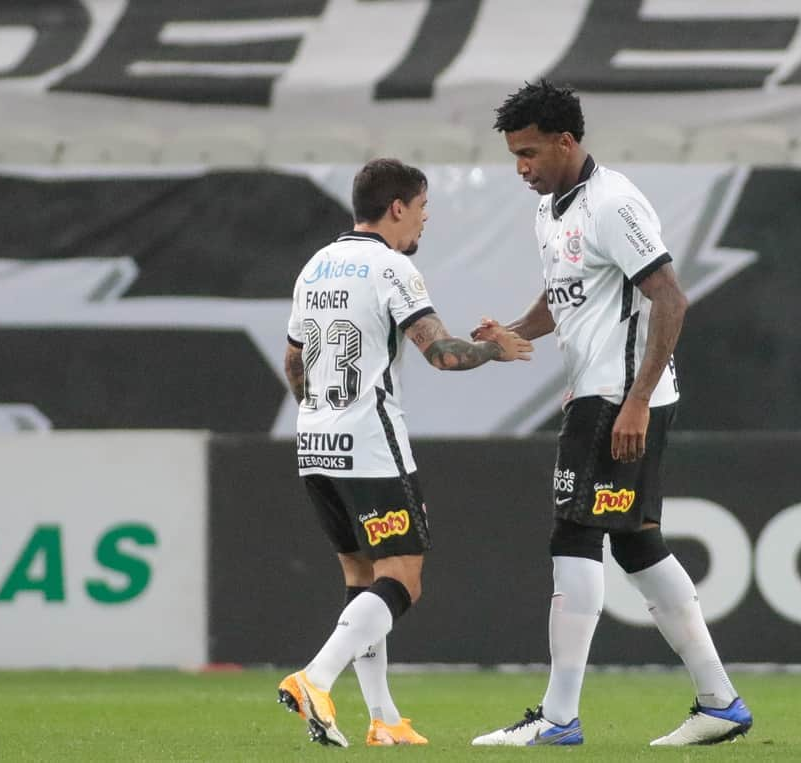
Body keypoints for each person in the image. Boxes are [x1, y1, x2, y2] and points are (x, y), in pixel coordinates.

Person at [470, 80, 752, 747]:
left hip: (616, 397)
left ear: (567, 142)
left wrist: (635, 401)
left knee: (573, 535)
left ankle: (559, 717)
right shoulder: (551, 209)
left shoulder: (613, 203)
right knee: (636, 540)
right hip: (607, 393)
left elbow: (671, 299)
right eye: (514, 155)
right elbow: (566, 297)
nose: (521, 168)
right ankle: (720, 701)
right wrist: (513, 331)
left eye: (530, 152)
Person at [277, 158, 533, 748]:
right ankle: (315, 678)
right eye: (421, 210)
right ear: (397, 208)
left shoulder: (314, 266)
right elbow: (442, 354)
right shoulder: (391, 267)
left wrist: (319, 416)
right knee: (403, 581)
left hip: (315, 443)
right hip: (370, 445)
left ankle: (383, 717)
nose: (423, 223)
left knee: (362, 580)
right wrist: (496, 349)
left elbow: (294, 362)